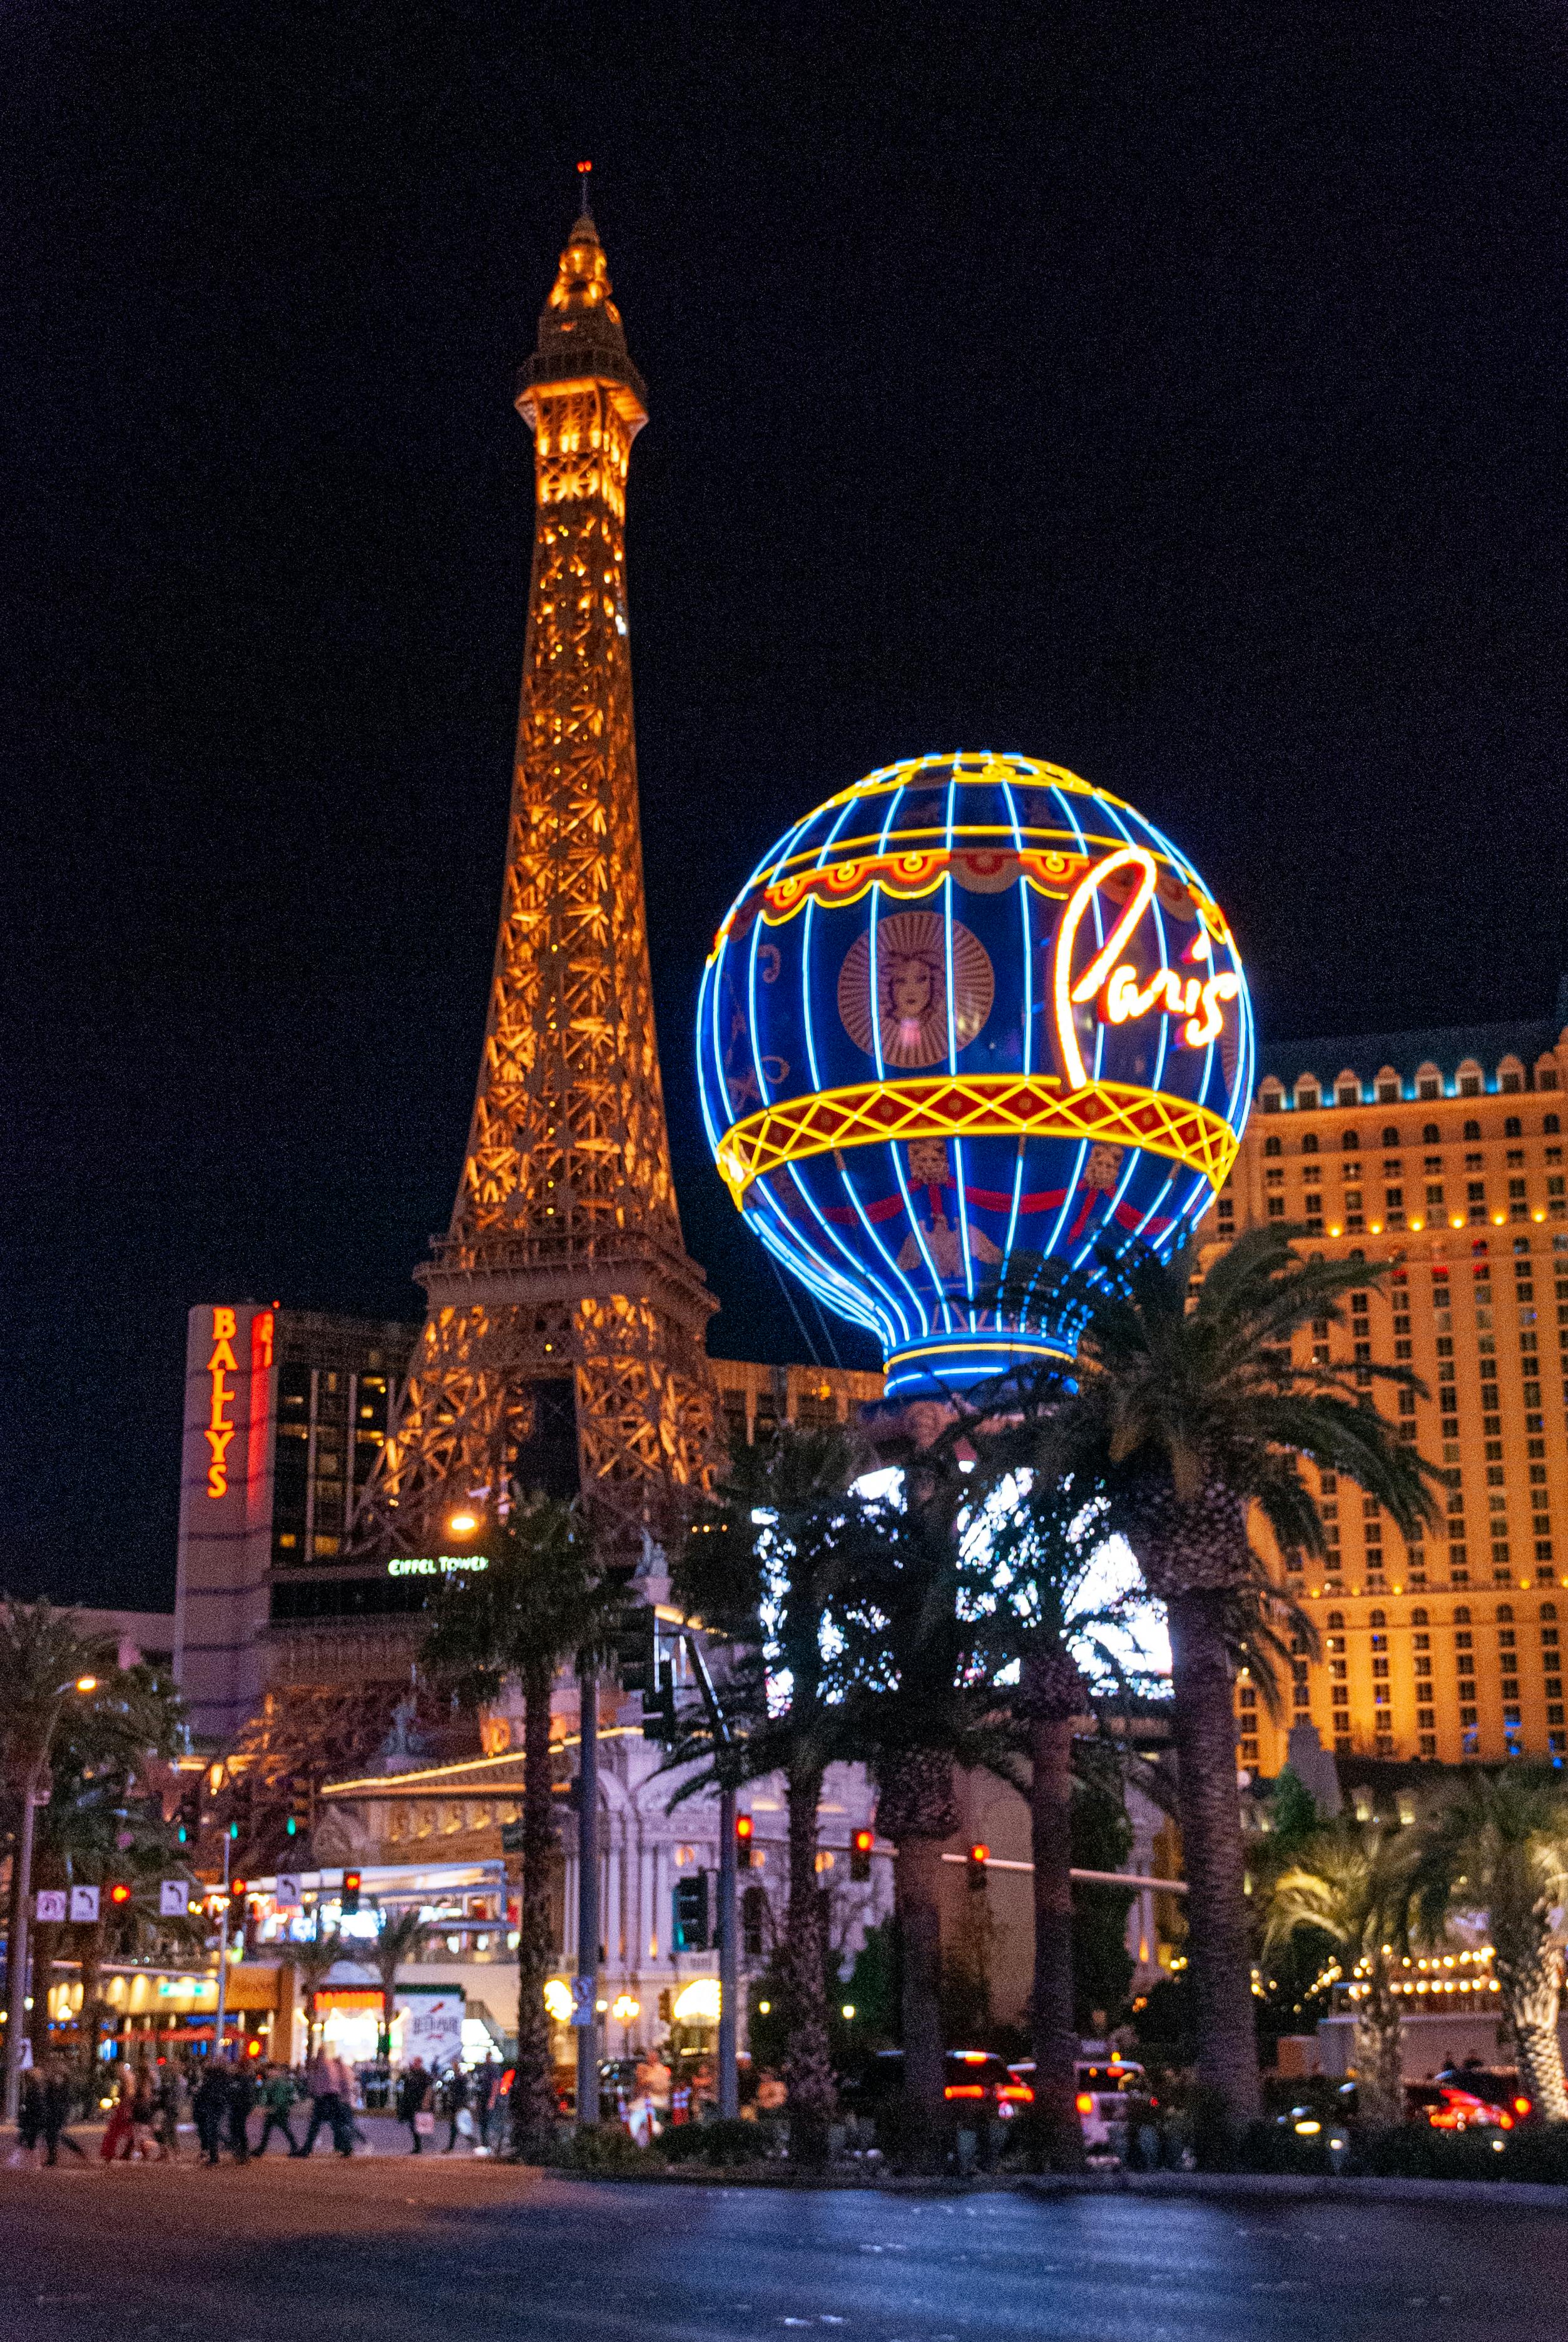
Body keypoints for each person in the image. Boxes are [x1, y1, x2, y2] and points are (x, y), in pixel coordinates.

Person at [255, 2063, 300, 2157]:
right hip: (279, 2109)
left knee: (279, 2129)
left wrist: (272, 2107)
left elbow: (264, 2092)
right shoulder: (281, 2081)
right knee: (276, 2129)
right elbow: (293, 2094)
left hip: (277, 2110)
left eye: (270, 2071)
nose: (268, 2073)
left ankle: (261, 2149)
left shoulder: (276, 2082)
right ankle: (261, 2149)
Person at [192, 2062, 229, 2166]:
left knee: (212, 2131)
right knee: (211, 2130)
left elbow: (206, 2093)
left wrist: (199, 2093)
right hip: (212, 2107)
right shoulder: (219, 2079)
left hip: (213, 2107)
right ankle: (211, 2154)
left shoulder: (213, 2080)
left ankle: (214, 2156)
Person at [397, 2057, 432, 2154]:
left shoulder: (424, 2074)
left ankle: (419, 2146)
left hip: (418, 2103)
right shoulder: (410, 2073)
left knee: (417, 2125)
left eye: (417, 2062)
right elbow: (402, 2081)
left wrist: (426, 2101)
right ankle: (418, 2145)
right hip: (410, 2103)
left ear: (420, 2063)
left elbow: (429, 2088)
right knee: (413, 2125)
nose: (415, 2064)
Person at [227, 2058, 258, 2163]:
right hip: (236, 2107)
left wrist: (245, 2106)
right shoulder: (236, 2078)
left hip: (241, 2107)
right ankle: (239, 2151)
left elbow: (247, 2095)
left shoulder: (245, 2079)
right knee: (235, 2129)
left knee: (239, 2129)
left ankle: (243, 2153)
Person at [17, 2069, 44, 2165]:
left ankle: (27, 2141)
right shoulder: (35, 2086)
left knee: (30, 2128)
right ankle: (28, 2142)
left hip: (33, 2112)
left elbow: (30, 2100)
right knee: (31, 2129)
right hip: (33, 2112)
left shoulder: (33, 2086)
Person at [443, 2064, 471, 2152]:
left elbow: (462, 2094)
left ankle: (470, 2140)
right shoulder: (456, 2079)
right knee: (456, 2126)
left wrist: (461, 2105)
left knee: (457, 2125)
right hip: (455, 2106)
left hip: (458, 2106)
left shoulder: (460, 2079)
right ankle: (452, 2145)